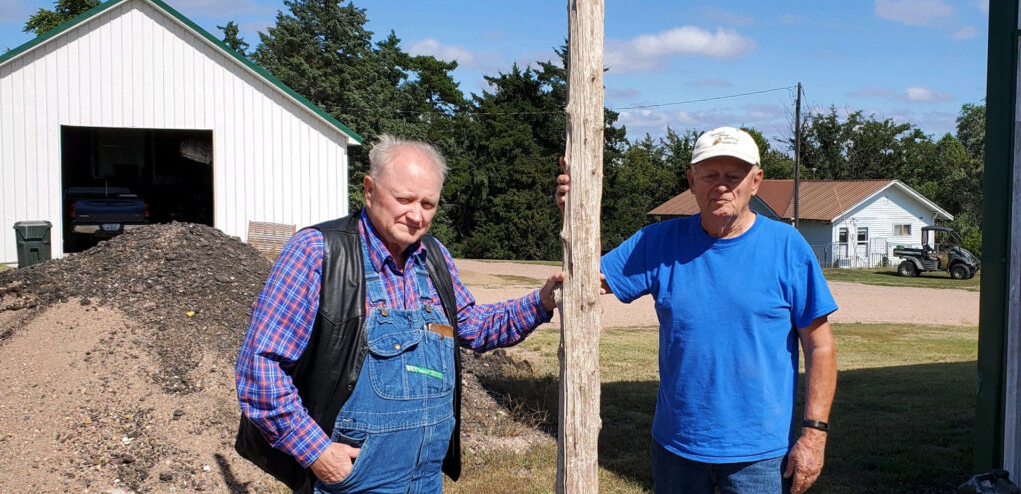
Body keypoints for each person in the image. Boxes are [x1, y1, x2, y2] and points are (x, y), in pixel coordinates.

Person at [236, 134, 562, 494]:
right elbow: (260, 367)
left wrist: (541, 302)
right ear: (370, 190)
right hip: (352, 481)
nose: (416, 214)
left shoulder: (434, 257)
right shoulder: (318, 253)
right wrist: (317, 453)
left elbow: (473, 326)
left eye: (428, 203)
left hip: (426, 480)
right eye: (404, 199)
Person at [556, 126, 837, 494]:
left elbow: (820, 346)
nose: (722, 186)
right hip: (677, 449)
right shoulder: (658, 242)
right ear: (691, 181)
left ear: (756, 181)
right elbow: (585, 280)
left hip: (761, 457)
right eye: (710, 175)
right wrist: (573, 214)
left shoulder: (787, 248)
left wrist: (814, 435)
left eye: (734, 176)